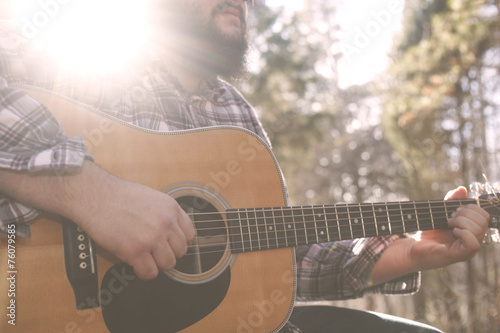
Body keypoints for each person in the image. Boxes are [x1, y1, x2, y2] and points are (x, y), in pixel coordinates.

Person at [0, 1, 490, 332]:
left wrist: (413, 253)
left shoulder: (235, 116)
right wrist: (94, 196)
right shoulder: (79, 61)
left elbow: (269, 264)